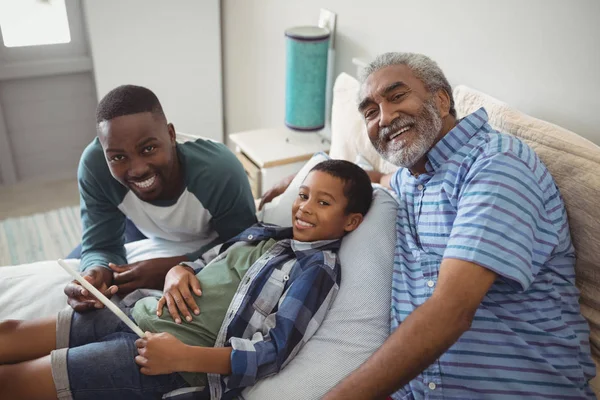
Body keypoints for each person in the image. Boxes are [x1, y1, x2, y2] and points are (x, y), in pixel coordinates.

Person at [317, 52, 596, 399]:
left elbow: (452, 310)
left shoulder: (496, 165)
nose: (385, 118)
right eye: (371, 112)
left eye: (397, 96)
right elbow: (378, 178)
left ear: (441, 99)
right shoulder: (410, 178)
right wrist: (307, 180)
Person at [0, 159, 373, 400]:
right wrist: (181, 270)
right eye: (303, 195)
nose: (304, 207)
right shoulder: (264, 234)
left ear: (352, 221)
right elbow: (208, 260)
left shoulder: (316, 272)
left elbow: (273, 351)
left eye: (323, 203)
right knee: (11, 330)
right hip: (137, 311)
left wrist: (183, 357)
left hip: (165, 360)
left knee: (20, 381)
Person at [63, 85, 257, 313]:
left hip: (207, 237)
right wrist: (96, 272)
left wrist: (178, 264)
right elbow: (100, 245)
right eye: (118, 157)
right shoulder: (95, 165)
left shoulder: (219, 171)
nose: (137, 169)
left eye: (148, 149)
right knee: (76, 270)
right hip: (135, 227)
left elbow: (246, 246)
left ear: (171, 135)